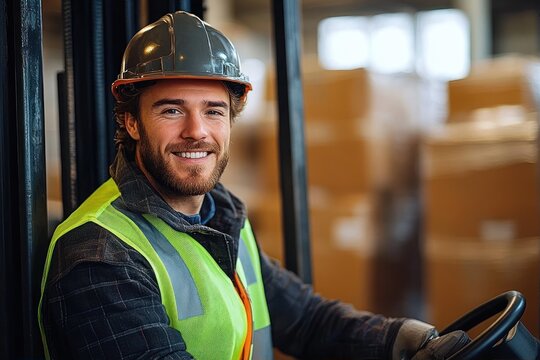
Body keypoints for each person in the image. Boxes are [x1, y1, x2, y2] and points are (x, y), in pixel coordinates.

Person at [38, 11, 470, 360]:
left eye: (213, 111)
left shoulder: (222, 215)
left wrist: (400, 337)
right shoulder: (99, 257)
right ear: (131, 122)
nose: (197, 132)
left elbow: (305, 320)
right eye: (171, 111)